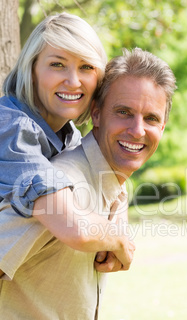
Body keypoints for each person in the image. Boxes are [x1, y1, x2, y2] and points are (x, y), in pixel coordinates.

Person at [0, 47, 177, 320]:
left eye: (151, 118)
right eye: (123, 112)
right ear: (95, 114)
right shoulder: (63, 190)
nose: (137, 130)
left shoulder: (109, 186)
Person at [0, 12, 134, 271]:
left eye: (86, 67)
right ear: (32, 70)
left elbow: (105, 174)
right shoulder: (13, 128)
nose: (73, 82)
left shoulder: (67, 133)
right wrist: (119, 239)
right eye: (57, 65)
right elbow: (76, 229)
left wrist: (117, 214)